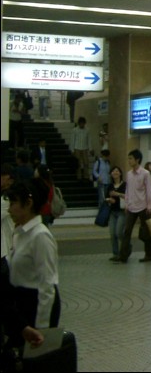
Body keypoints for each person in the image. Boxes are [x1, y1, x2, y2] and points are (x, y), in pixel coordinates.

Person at [6, 177, 60, 341]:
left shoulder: (40, 236)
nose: (9, 210)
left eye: (13, 203)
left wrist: (42, 328)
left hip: (35, 305)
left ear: (28, 203)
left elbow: (47, 285)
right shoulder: (19, 233)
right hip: (20, 303)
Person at [117, 149, 151, 264]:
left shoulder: (145, 173)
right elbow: (128, 190)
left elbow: (149, 190)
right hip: (132, 206)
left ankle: (149, 254)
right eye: (128, 158)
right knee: (127, 231)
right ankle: (123, 255)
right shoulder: (129, 174)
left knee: (147, 232)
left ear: (137, 160)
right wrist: (127, 204)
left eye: (130, 158)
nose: (129, 161)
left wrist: (150, 206)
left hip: (144, 206)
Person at [106, 166, 127, 262]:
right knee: (112, 234)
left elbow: (129, 197)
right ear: (111, 174)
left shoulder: (125, 185)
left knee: (119, 232)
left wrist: (118, 194)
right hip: (112, 212)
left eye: (117, 171)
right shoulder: (109, 186)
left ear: (120, 173)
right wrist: (109, 200)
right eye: (113, 171)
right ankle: (115, 254)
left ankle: (126, 247)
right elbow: (106, 198)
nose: (115, 172)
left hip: (122, 211)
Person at [71, 116, 91, 182]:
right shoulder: (75, 130)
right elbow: (72, 140)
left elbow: (89, 140)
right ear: (79, 123)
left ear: (85, 123)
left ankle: (86, 176)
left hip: (85, 148)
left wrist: (90, 149)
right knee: (78, 163)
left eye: (83, 123)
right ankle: (78, 176)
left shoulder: (87, 130)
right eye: (81, 123)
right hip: (77, 148)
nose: (82, 124)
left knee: (86, 163)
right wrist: (72, 150)